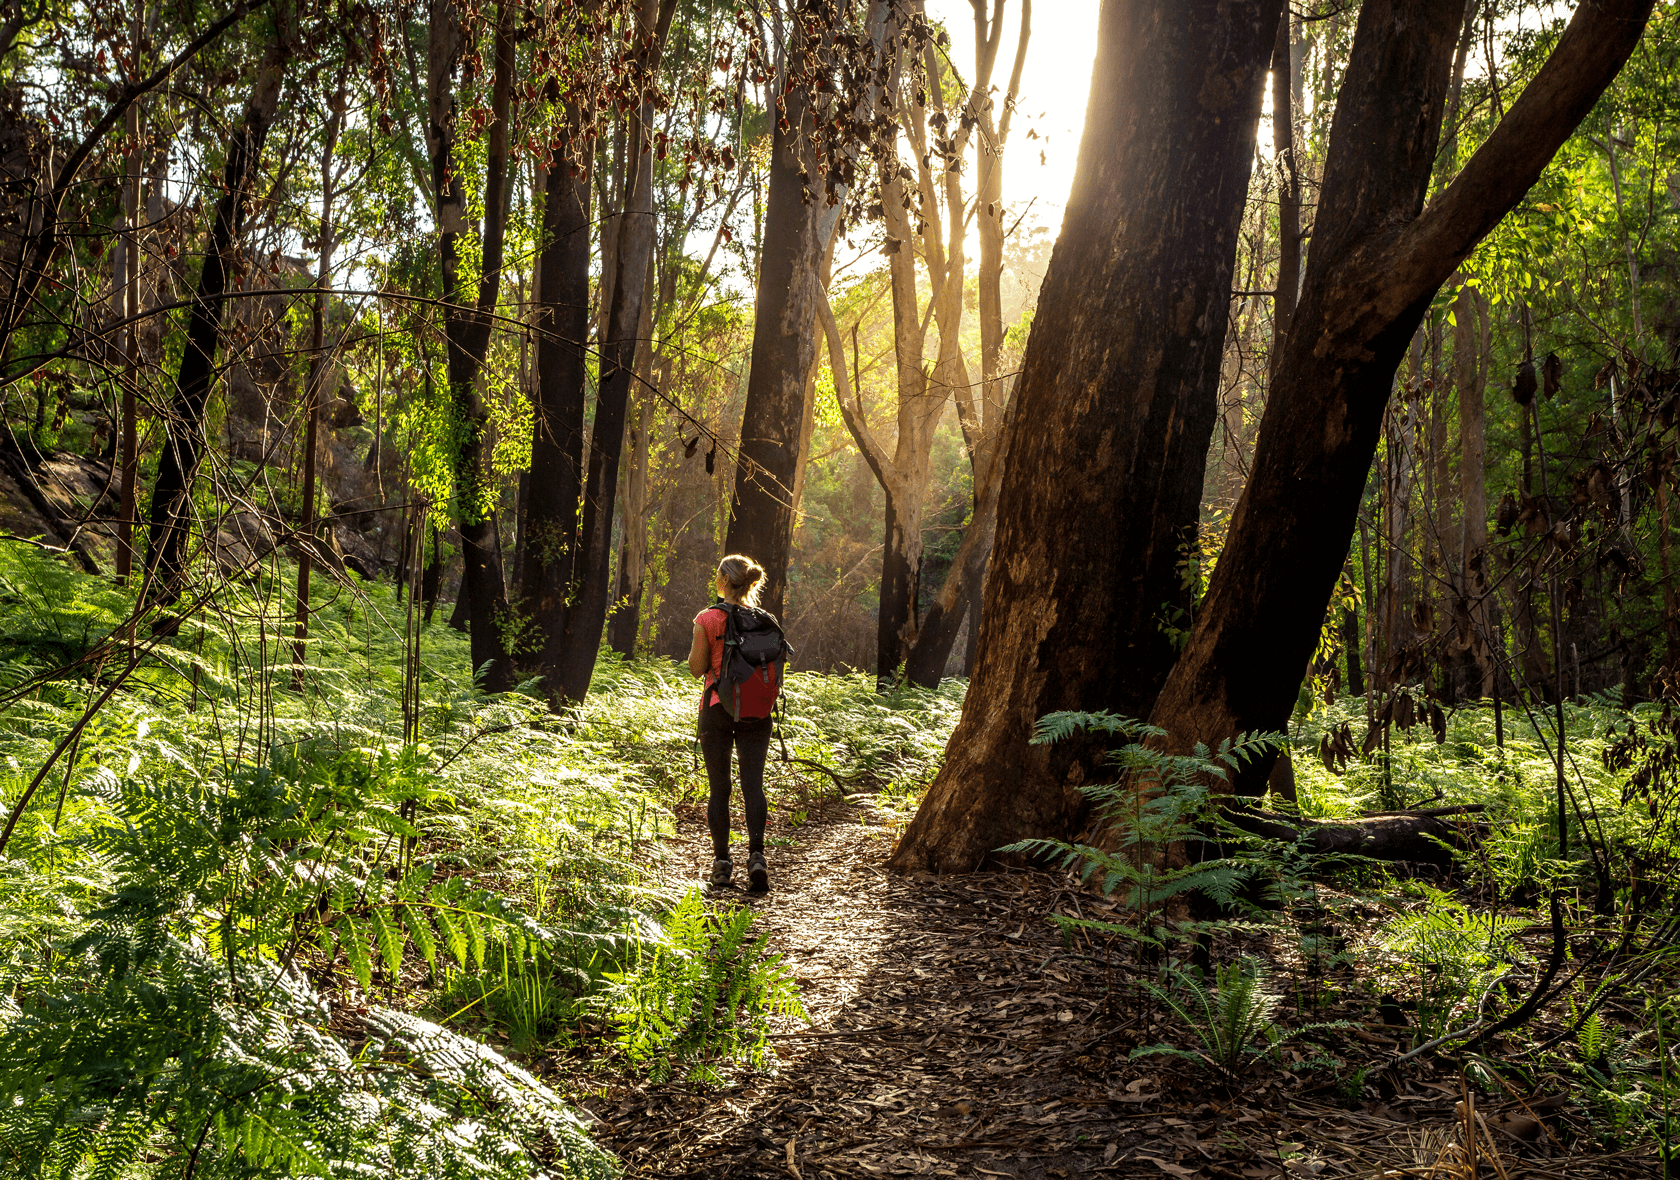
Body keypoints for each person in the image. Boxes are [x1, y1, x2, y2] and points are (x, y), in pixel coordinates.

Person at [688, 554, 773, 891]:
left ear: (723, 579)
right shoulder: (765, 619)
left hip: (717, 708)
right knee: (753, 785)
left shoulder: (707, 619)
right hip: (757, 712)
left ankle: (722, 863)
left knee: (720, 788)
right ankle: (757, 857)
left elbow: (697, 668)